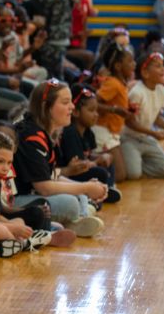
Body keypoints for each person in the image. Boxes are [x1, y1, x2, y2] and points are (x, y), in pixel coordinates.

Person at [11, 81, 107, 236]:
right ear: (45, 107)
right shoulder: (32, 136)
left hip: (30, 194)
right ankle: (79, 216)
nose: (72, 107)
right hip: (10, 202)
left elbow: (51, 174)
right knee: (70, 203)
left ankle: (77, 218)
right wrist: (86, 188)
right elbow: (45, 187)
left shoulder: (42, 131)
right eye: (65, 102)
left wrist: (85, 185)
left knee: (79, 195)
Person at [57, 86, 121, 203]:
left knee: (108, 162)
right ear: (75, 112)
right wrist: (97, 162)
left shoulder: (88, 131)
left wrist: (103, 156)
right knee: (99, 172)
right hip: (70, 174)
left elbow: (89, 154)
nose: (96, 115)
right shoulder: (70, 132)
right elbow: (78, 166)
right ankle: (96, 194)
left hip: (83, 169)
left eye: (96, 110)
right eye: (91, 111)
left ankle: (106, 189)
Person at [122, 53, 164, 180]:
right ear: (145, 73)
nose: (163, 69)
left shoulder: (162, 91)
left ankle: (135, 161)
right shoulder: (137, 93)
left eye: (163, 66)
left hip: (146, 138)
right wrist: (153, 134)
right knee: (133, 174)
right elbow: (129, 123)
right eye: (158, 66)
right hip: (128, 138)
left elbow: (156, 117)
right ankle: (128, 160)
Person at [24, 0, 73, 78]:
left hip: (60, 40)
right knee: (52, 77)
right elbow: (43, 2)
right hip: (51, 41)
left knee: (57, 74)